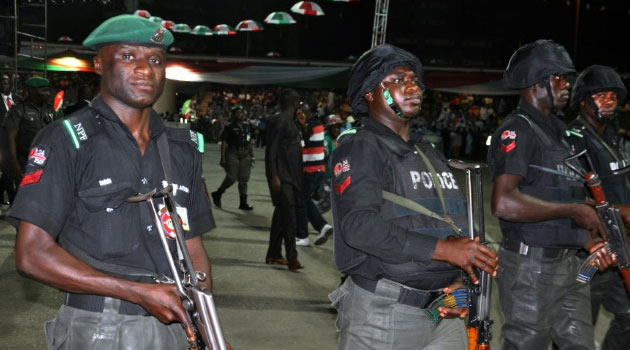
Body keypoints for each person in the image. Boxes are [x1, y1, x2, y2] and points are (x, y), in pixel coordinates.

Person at [12, 14, 216, 349]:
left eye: (154, 60)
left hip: (177, 329)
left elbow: (192, 247)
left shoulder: (183, 149)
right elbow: (31, 254)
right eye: (127, 56)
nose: (144, 70)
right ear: (98, 64)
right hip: (98, 328)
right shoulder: (66, 141)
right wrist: (136, 291)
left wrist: (208, 330)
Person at [328, 44, 498, 350]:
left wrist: (461, 279)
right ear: (370, 93)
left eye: (415, 80)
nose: (412, 86)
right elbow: (359, 226)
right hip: (383, 313)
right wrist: (445, 250)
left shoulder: (428, 153)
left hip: (443, 313)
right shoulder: (361, 148)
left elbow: (452, 225)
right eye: (396, 79)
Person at [488, 40, 614, 350]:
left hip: (568, 265)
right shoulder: (518, 129)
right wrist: (574, 211)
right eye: (559, 77)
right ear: (536, 81)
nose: (567, 84)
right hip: (531, 269)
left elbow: (559, 194)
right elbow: (504, 202)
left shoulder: (560, 133)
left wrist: (587, 237)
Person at [564, 65, 630, 350]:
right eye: (600, 95)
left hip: (622, 246)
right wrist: (624, 212)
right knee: (577, 331)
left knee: (628, 317)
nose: (609, 101)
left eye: (613, 96)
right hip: (591, 251)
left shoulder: (613, 137)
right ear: (583, 100)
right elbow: (573, 197)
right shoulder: (573, 139)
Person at [264, 88, 304, 270]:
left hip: (291, 176)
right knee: (290, 219)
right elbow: (271, 150)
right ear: (294, 104)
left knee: (281, 217)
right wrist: (274, 176)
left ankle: (273, 254)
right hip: (283, 177)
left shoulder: (290, 121)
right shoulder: (280, 121)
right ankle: (292, 257)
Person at [295, 103, 333, 246]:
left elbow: (303, 142)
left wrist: (301, 123)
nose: (300, 115)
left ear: (308, 112)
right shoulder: (316, 124)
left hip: (311, 170)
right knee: (304, 199)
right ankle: (322, 227)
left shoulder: (311, 125)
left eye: (302, 112)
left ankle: (303, 236)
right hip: (317, 169)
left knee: (301, 201)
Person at [3, 76, 54, 180]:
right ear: (32, 91)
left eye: (48, 90)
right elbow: (10, 139)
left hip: (48, 162)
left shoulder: (49, 109)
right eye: (44, 90)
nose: (48, 94)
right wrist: (15, 165)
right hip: (26, 162)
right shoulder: (19, 110)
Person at [211, 105, 255, 210]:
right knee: (231, 177)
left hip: (245, 154)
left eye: (242, 113)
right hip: (233, 153)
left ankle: (243, 203)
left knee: (244, 179)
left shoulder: (247, 127)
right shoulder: (229, 127)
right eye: (238, 113)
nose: (240, 114)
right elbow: (224, 143)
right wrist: (222, 158)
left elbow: (250, 143)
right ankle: (218, 193)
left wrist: (252, 156)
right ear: (234, 115)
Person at [0, 74, 17, 205]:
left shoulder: (18, 100)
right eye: (1, 83)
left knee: (11, 171)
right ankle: (13, 198)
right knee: (6, 172)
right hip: (3, 143)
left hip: (17, 143)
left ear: (11, 85)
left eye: (5, 83)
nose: (2, 85)